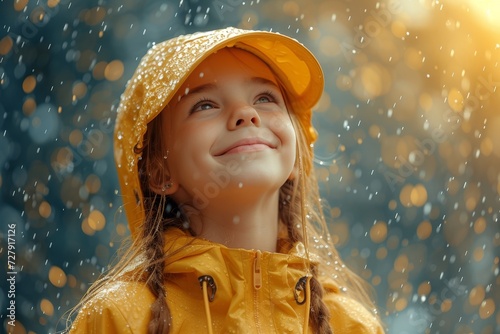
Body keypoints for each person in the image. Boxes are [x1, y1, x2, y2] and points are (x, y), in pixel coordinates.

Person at [68, 27, 385, 333]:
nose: (246, 113)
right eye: (204, 105)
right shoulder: (118, 319)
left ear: (297, 154)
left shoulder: (353, 326)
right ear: (158, 171)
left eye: (264, 98)